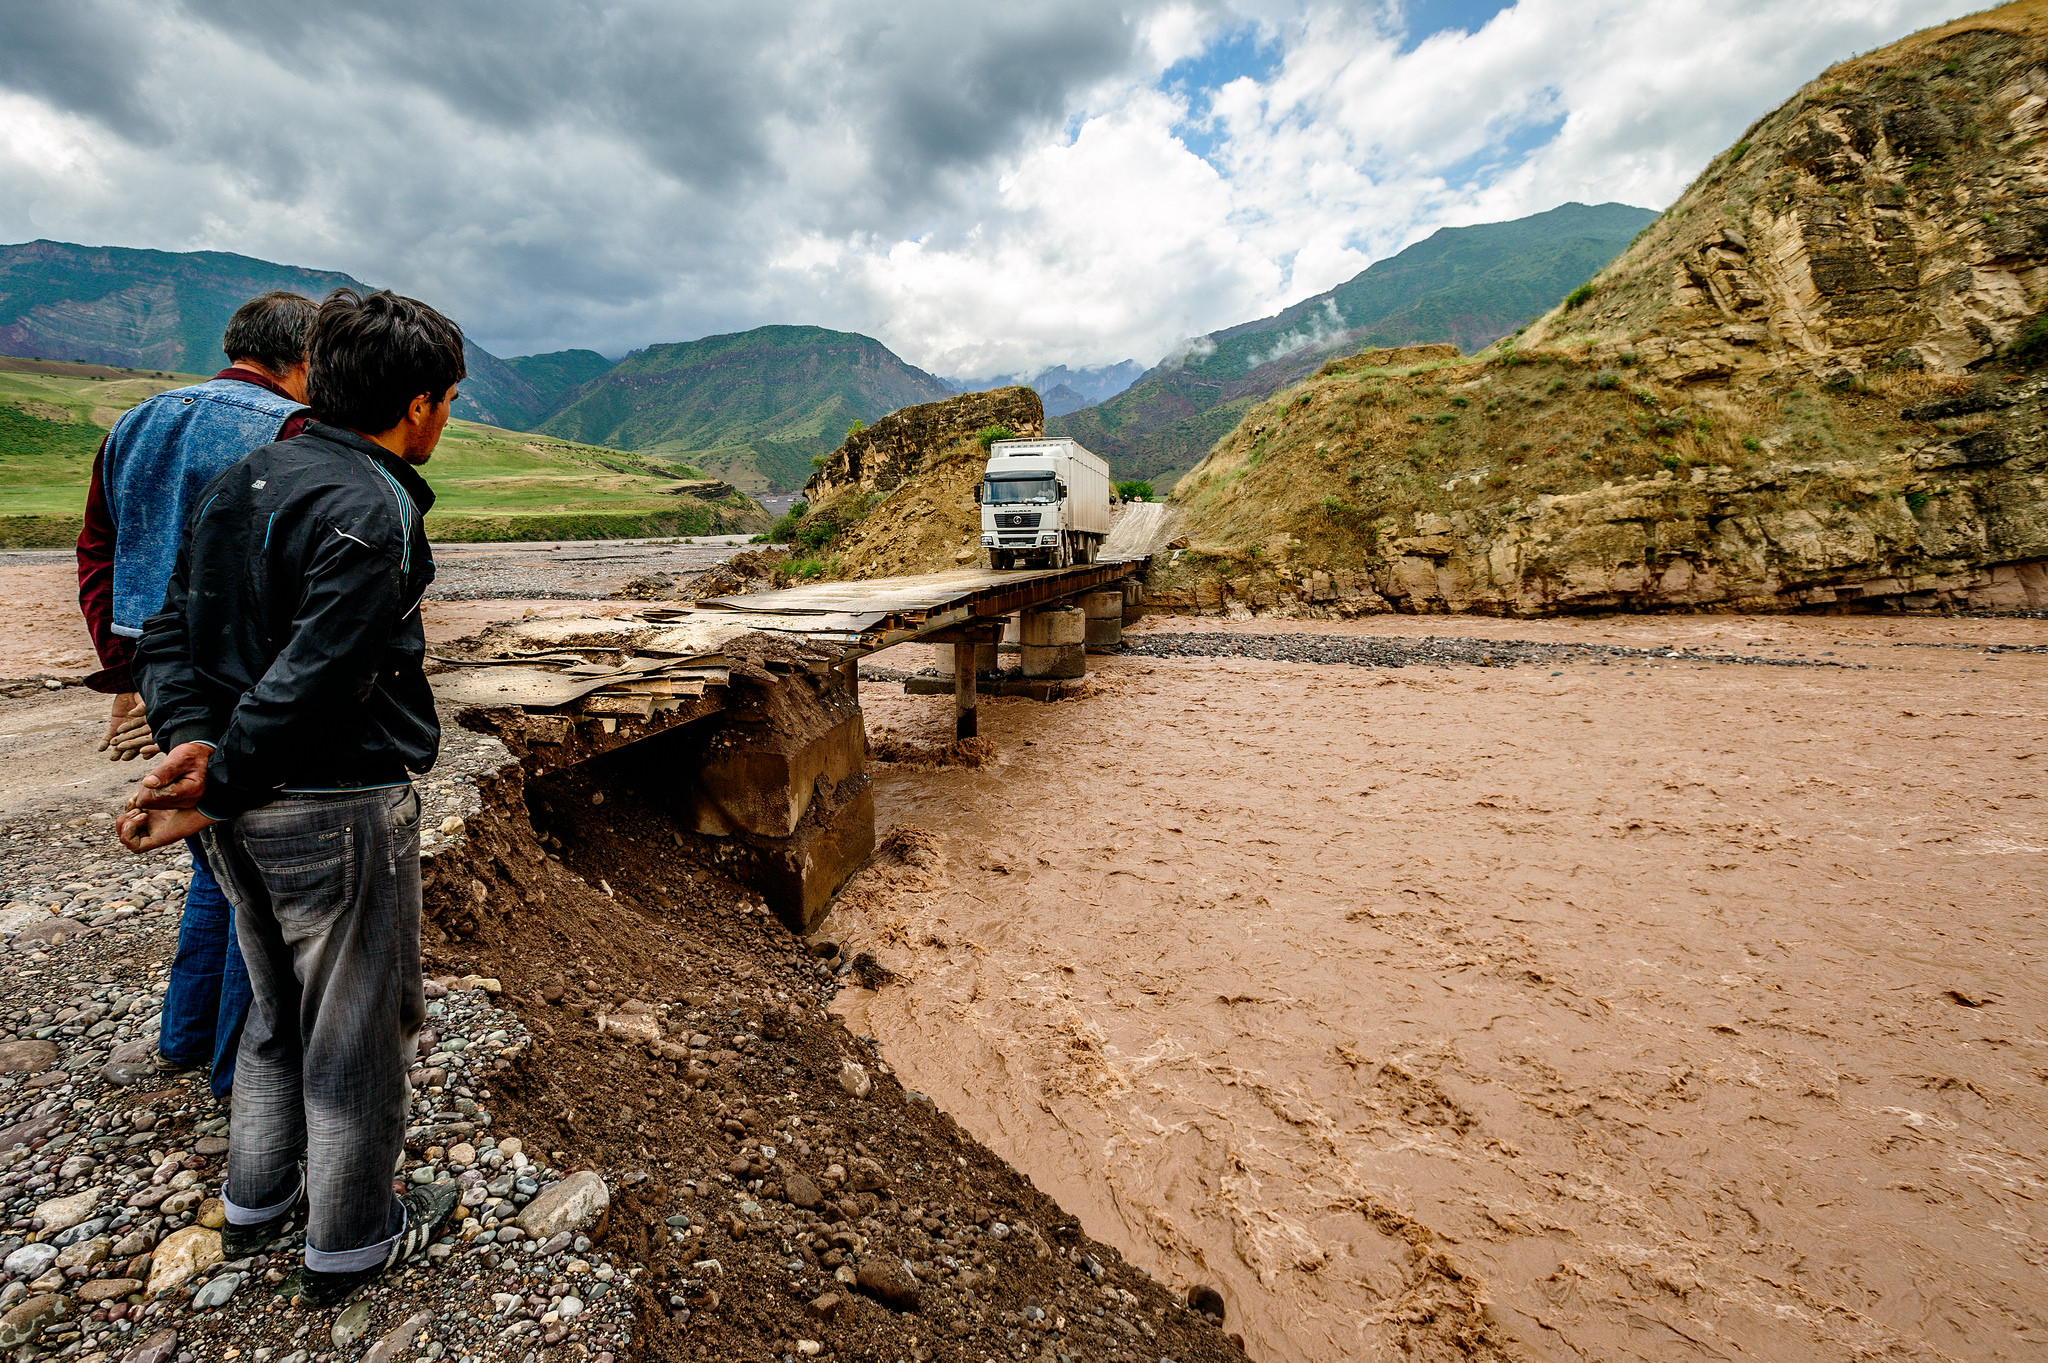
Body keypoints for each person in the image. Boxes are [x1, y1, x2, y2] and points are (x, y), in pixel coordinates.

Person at [117, 287, 464, 1306]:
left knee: (275, 1008)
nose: (445, 418)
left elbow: (166, 630)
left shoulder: (243, 478)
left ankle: (257, 1201)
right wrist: (217, 774)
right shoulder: (376, 505)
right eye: (446, 400)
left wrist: (196, 749)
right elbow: (322, 673)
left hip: (238, 810)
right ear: (416, 407)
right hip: (336, 806)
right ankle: (353, 1239)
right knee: (357, 1027)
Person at [78, 290, 318, 1099]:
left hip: (158, 663)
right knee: (257, 869)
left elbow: (97, 550)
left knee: (213, 856)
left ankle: (184, 1035)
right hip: (237, 674)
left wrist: (128, 664)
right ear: (304, 361)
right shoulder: (288, 431)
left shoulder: (136, 422)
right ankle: (237, 1077)